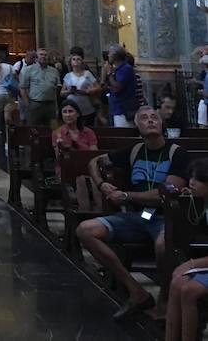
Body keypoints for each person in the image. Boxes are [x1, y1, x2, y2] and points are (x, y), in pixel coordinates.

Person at [76, 106, 189, 321]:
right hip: (137, 218)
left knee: (163, 245)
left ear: (161, 123)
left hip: (165, 219)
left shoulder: (177, 154)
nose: (150, 121)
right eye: (144, 118)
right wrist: (101, 185)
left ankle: (165, 301)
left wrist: (126, 196)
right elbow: (94, 161)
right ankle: (137, 292)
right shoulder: (134, 151)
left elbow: (164, 196)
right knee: (85, 230)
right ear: (137, 125)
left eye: (154, 117)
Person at [165, 158, 208, 341]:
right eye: (191, 177)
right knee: (177, 283)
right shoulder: (203, 203)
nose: (191, 182)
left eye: (198, 179)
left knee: (190, 290)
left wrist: (191, 263)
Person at [52, 101, 97, 176]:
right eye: (64, 112)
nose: (68, 115)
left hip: (87, 166)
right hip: (67, 167)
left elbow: (94, 154)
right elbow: (59, 157)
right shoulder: (57, 133)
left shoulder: (89, 132)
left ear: (78, 114)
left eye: (70, 111)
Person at [20, 48, 61, 126]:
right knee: (33, 129)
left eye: (45, 55)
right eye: (41, 54)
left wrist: (56, 106)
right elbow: (23, 88)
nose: (43, 56)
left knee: (52, 129)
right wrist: (27, 104)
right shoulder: (28, 70)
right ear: (36, 57)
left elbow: (56, 88)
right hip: (35, 104)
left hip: (51, 105)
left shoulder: (54, 71)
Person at [61, 52, 100, 127]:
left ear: (82, 62)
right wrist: (69, 91)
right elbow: (62, 92)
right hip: (72, 106)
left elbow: (98, 87)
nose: (76, 61)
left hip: (86, 106)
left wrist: (90, 91)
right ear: (71, 62)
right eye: (74, 59)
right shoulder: (68, 75)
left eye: (78, 59)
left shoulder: (87, 74)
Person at [104, 44, 136, 127]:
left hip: (123, 110)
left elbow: (117, 88)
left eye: (109, 53)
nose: (108, 55)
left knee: (123, 133)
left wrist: (109, 73)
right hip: (116, 108)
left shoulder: (125, 69)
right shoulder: (117, 69)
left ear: (115, 56)